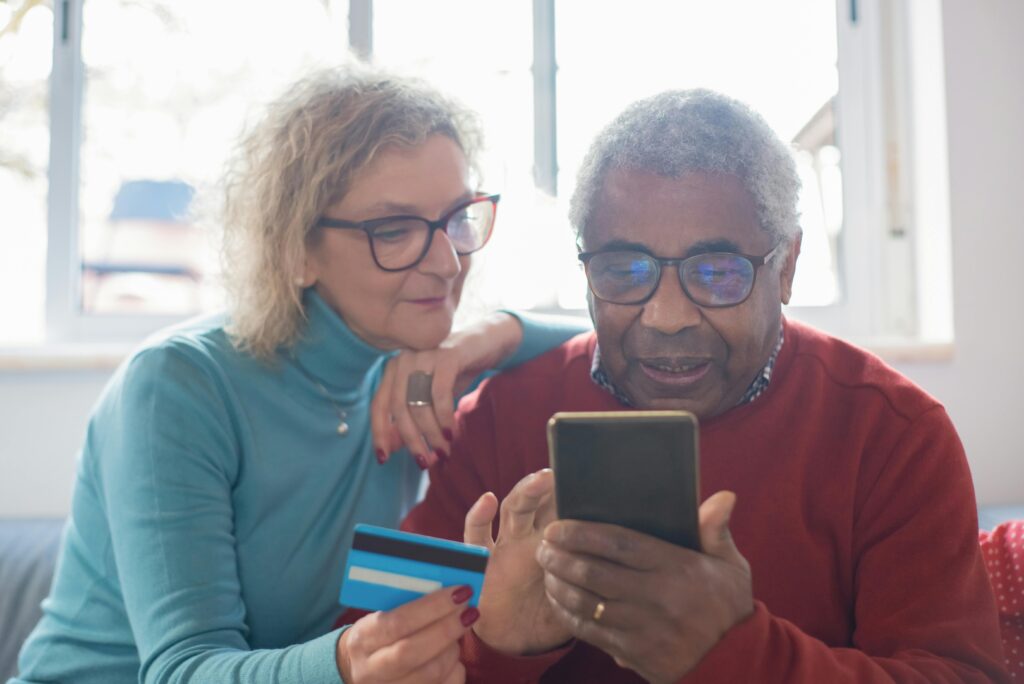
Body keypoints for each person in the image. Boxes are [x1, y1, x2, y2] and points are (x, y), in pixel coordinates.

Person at [402, 89, 1010, 682]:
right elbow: (373, 646)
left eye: (718, 273)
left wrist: (737, 650)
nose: (668, 316)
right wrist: (500, 649)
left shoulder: (893, 435)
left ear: (787, 267)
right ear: (586, 271)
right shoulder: (496, 419)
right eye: (624, 270)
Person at [10, 66, 586, 684]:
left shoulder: (413, 369)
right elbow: (180, 669)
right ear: (296, 248)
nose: (447, 262)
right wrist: (347, 662)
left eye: (455, 219)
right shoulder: (176, 387)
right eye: (393, 231)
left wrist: (487, 336)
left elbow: (606, 339)